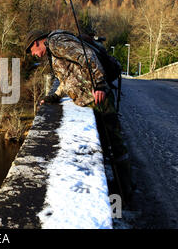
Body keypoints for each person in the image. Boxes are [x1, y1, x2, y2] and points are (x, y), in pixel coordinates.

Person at [25, 29, 133, 203]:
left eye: (32, 51)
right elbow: (68, 79)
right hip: (91, 100)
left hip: (98, 99)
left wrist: (99, 84)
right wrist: (55, 96)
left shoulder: (55, 42)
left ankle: (126, 191)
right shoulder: (54, 50)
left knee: (115, 141)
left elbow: (86, 55)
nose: (34, 55)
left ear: (36, 43)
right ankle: (117, 186)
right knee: (106, 143)